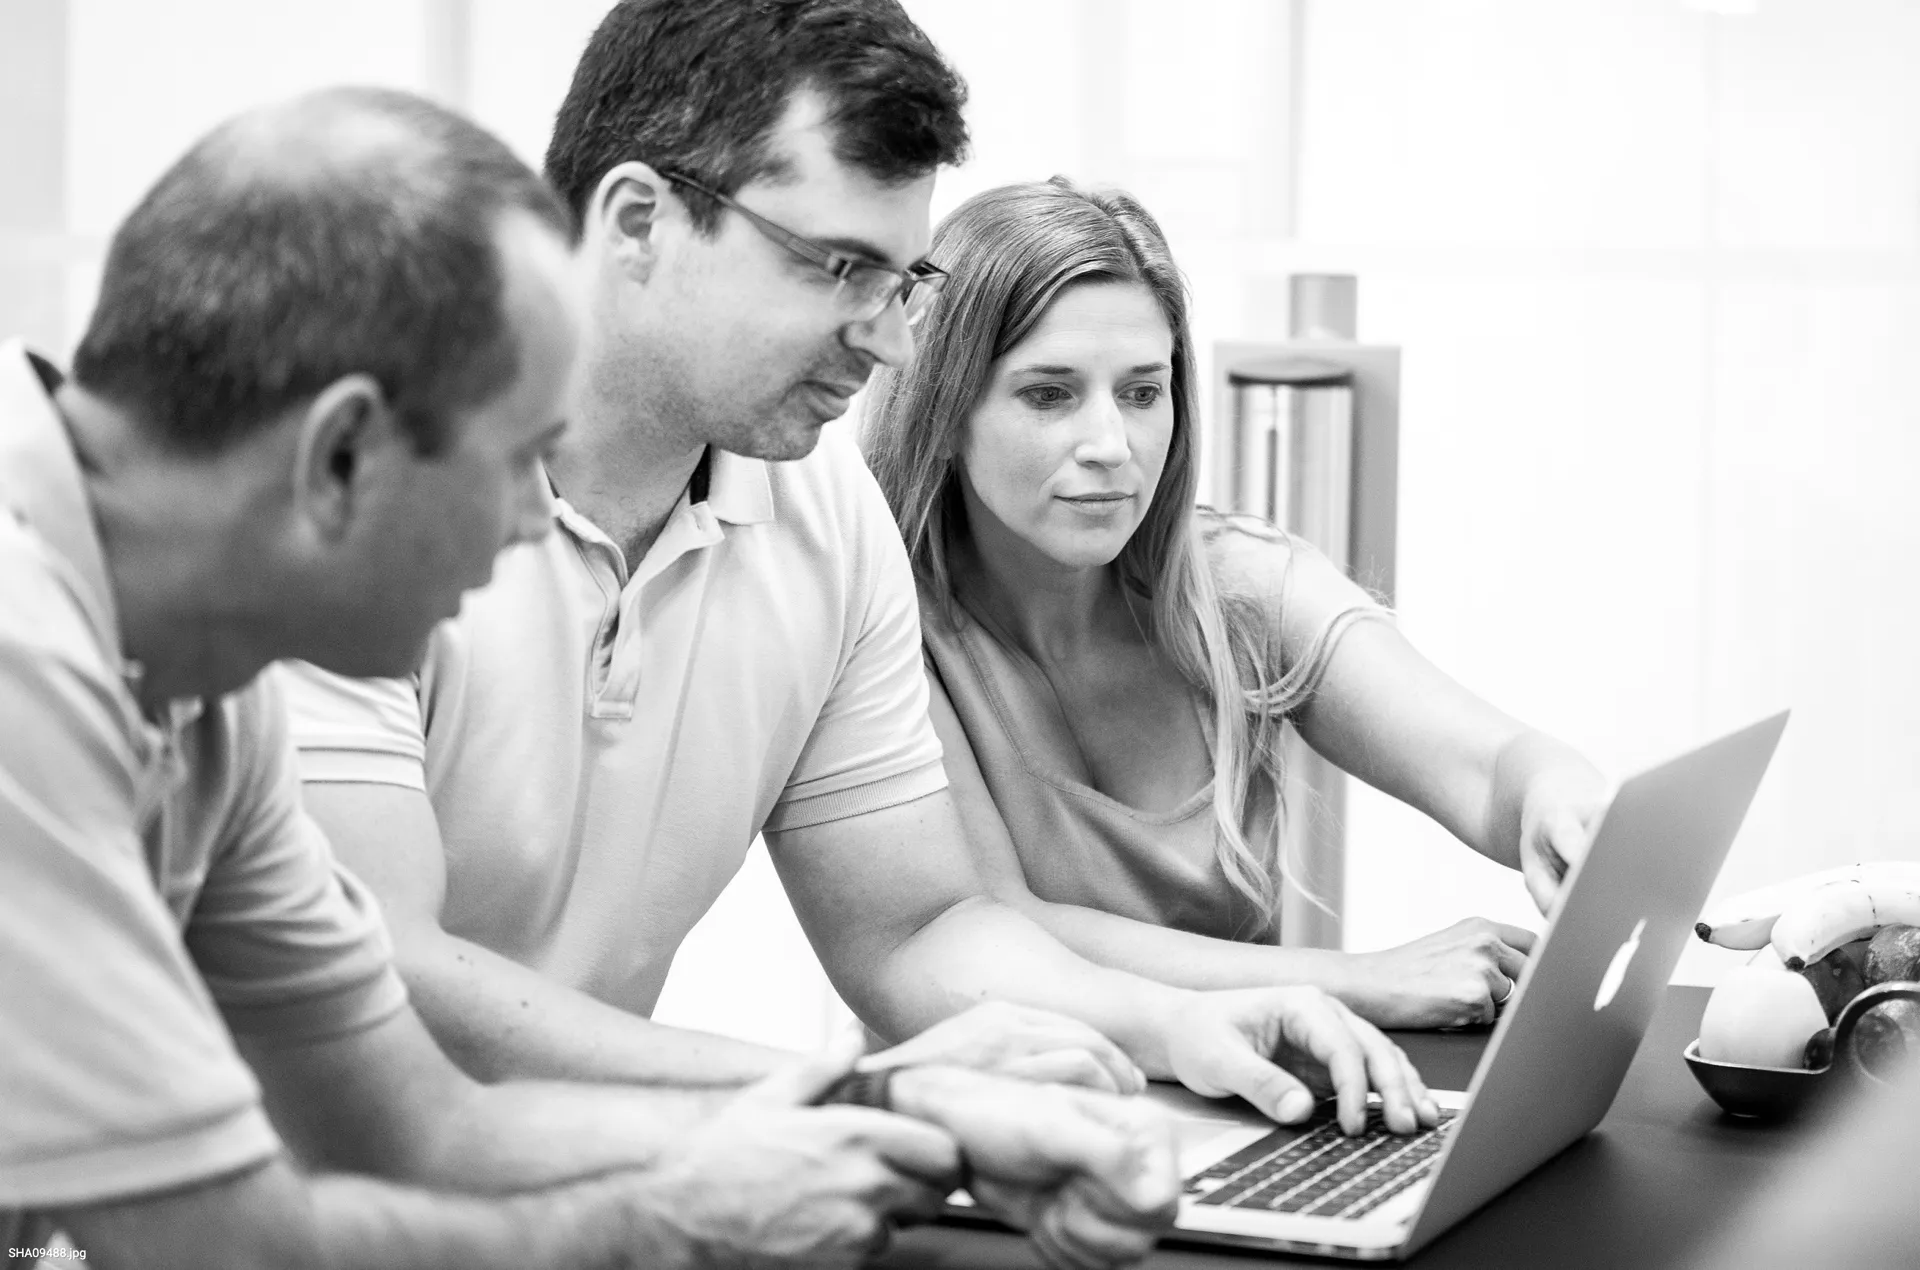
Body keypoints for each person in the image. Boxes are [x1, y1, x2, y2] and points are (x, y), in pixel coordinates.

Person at [0, 89, 1188, 1270]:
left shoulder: (213, 679)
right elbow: (239, 1245)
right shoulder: (26, 658)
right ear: (340, 457)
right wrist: (670, 1222)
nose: (534, 521)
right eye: (516, 458)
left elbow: (422, 1122)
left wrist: (902, 1109)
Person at [277, 0, 1440, 1136]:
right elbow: (381, 974)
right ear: (636, 222)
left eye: (901, 284)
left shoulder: (825, 515)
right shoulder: (359, 478)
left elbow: (916, 927)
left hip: (577, 1186)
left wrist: (1186, 1024)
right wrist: (850, 1097)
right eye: (836, 268)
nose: (887, 340)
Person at [861, 178, 1613, 1030]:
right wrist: (1356, 981)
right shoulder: (886, 628)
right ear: (945, 407)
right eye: (1049, 394)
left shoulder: (1236, 582)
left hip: (1230, 1110)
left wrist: (1555, 789)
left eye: (1143, 392)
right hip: (989, 1121)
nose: (1111, 445)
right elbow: (1001, 929)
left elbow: (1486, 768)